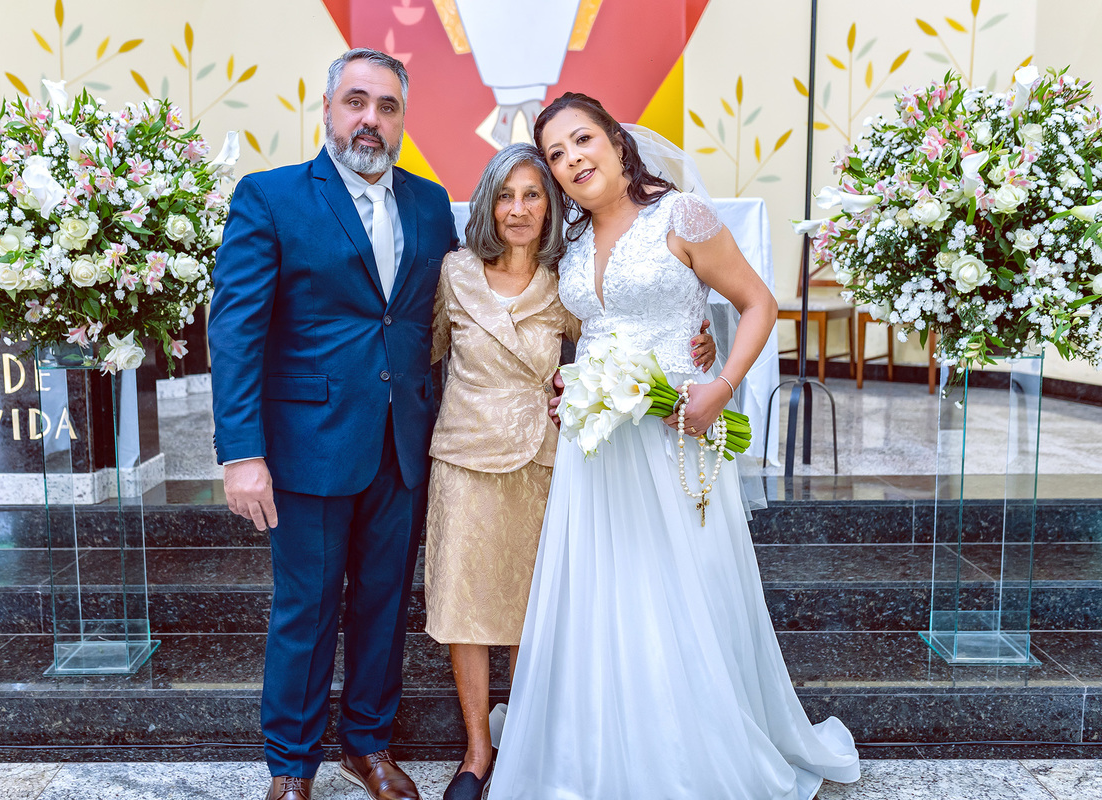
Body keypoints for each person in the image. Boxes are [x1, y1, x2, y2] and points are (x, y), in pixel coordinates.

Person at [487, 93, 861, 800]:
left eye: (583, 140)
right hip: (598, 447)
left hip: (675, 435)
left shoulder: (679, 215)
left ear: (616, 139)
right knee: (607, 593)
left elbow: (758, 302)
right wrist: (571, 389)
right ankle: (603, 744)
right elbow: (586, 334)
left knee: (685, 587)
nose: (573, 160)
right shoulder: (570, 241)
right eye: (557, 154)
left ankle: (692, 749)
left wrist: (720, 384)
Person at [424, 143, 716, 800]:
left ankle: (526, 741)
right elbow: (424, 350)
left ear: (551, 205)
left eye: (533, 194)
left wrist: (698, 341)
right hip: (464, 455)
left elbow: (627, 335)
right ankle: (477, 752)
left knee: (535, 606)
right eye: (506, 195)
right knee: (464, 607)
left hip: (544, 457)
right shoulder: (455, 272)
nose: (519, 209)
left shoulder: (565, 278)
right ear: (487, 203)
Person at [208, 49, 458, 800]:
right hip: (307, 446)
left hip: (402, 443)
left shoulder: (430, 204)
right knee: (307, 609)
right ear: (326, 109)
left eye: (386, 107)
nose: (369, 120)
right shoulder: (271, 197)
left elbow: (454, 312)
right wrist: (241, 453)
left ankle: (368, 745)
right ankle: (290, 765)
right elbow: (236, 332)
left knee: (385, 603)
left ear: (403, 120)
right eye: (356, 102)